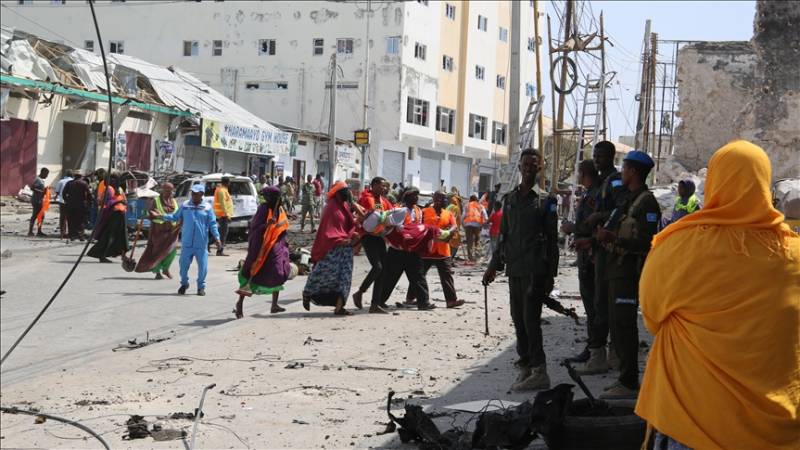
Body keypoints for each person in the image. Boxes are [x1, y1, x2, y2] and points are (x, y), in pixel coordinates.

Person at [636, 141, 799, 450]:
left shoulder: (678, 246)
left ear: (714, 184)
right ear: (765, 185)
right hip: (779, 430)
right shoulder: (794, 254)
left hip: (693, 423)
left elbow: (653, 318)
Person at [483, 149, 558, 392]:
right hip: (514, 269)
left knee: (531, 321)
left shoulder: (546, 201)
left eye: (533, 164)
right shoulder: (511, 199)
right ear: (520, 167)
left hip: (535, 270)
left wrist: (550, 275)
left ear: (539, 168)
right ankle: (525, 366)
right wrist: (493, 266)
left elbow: (552, 240)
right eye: (525, 164)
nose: (528, 168)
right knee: (518, 320)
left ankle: (539, 371)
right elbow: (503, 236)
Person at [592, 150, 661, 399]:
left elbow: (648, 241)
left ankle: (630, 382)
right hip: (614, 270)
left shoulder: (647, 203)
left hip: (628, 273)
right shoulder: (628, 200)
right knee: (617, 326)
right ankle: (625, 378)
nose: (621, 172)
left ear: (632, 171)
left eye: (625, 168)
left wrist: (614, 238)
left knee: (625, 327)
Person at [576, 140, 628, 375]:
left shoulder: (614, 181)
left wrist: (598, 216)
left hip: (606, 251)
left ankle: (604, 353)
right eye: (595, 156)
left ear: (611, 157)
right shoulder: (601, 183)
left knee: (602, 303)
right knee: (595, 302)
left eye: (602, 156)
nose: (598, 160)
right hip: (595, 249)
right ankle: (597, 350)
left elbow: (620, 210)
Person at [302, 181, 362, 316]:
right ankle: (307, 293)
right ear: (339, 193)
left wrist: (353, 233)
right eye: (346, 191)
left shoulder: (345, 206)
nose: (349, 194)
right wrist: (340, 239)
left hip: (345, 249)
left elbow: (349, 224)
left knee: (345, 277)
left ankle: (339, 307)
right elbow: (328, 230)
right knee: (322, 273)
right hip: (332, 248)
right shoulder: (331, 208)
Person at [562, 160, 601, 363]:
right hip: (585, 253)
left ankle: (595, 349)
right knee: (590, 304)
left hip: (591, 257)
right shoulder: (588, 193)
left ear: (584, 173)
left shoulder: (595, 195)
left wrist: (572, 228)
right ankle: (593, 346)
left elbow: (591, 226)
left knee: (593, 304)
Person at [235, 186, 291, 318]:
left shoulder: (280, 209)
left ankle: (274, 305)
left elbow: (282, 226)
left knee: (278, 272)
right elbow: (255, 227)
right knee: (252, 273)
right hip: (262, 247)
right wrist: (266, 225)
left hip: (277, 246)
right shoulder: (264, 209)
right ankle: (240, 304)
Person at [378, 186, 436, 311]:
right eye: (414, 195)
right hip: (397, 250)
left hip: (412, 250)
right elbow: (386, 225)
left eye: (417, 195)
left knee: (418, 276)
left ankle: (423, 302)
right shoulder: (398, 209)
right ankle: (379, 301)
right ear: (407, 196)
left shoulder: (418, 211)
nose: (416, 197)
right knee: (390, 277)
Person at [157, 184, 221, 296]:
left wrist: (217, 238)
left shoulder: (207, 207)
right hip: (187, 243)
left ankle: (201, 287)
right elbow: (175, 217)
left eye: (196, 193)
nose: (194, 195)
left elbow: (212, 224)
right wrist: (162, 216)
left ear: (202, 194)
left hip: (201, 244)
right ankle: (184, 283)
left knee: (203, 267)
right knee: (183, 266)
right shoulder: (185, 205)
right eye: (193, 193)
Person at [352, 177, 392, 314]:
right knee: (377, 267)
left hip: (380, 237)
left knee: (383, 269)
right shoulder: (366, 198)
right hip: (368, 237)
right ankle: (360, 292)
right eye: (381, 186)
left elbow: (390, 215)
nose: (384, 188)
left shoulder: (384, 201)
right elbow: (361, 215)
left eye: (385, 186)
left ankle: (375, 304)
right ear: (373, 185)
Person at [419, 191, 464, 309]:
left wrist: (449, 232)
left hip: (443, 250)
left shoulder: (448, 213)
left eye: (444, 199)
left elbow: (454, 226)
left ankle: (451, 301)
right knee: (420, 274)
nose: (442, 200)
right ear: (434, 199)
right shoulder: (425, 212)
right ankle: (412, 298)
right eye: (440, 198)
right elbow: (419, 226)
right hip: (427, 250)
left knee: (446, 275)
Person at [135, 182, 180, 279]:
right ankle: (157, 272)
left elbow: (177, 214)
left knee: (172, 251)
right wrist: (153, 214)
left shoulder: (174, 201)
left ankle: (166, 268)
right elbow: (149, 214)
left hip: (172, 231)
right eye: (167, 190)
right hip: (159, 231)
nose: (169, 192)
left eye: (170, 190)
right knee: (158, 251)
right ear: (162, 190)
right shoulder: (155, 201)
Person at [87, 173, 129, 263]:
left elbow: (125, 200)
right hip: (113, 214)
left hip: (120, 214)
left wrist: (122, 202)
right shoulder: (109, 189)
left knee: (121, 235)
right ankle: (100, 254)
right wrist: (118, 201)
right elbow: (105, 202)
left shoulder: (119, 189)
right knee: (109, 235)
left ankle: (122, 254)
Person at [62, 171, 92, 242]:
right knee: (80, 221)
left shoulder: (69, 183)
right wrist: (89, 203)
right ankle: (80, 236)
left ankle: (72, 235)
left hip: (71, 205)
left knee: (71, 220)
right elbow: (89, 195)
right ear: (81, 176)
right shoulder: (84, 183)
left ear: (74, 176)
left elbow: (64, 194)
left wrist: (67, 201)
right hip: (81, 205)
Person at [463, 194, 488, 264]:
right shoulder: (480, 206)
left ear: (470, 200)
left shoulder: (467, 205)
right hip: (478, 225)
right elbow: (485, 216)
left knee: (469, 242)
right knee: (477, 241)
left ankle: (470, 258)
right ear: (477, 199)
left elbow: (463, 215)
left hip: (468, 225)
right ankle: (477, 257)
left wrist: (463, 225)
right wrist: (485, 224)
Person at [213, 177, 234, 256]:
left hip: (222, 215)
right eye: (229, 182)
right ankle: (220, 251)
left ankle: (209, 244)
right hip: (223, 215)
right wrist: (227, 215)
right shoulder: (222, 190)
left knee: (220, 232)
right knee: (223, 234)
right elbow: (223, 203)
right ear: (227, 182)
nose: (230, 184)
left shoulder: (223, 190)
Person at [28, 167, 50, 237]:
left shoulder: (41, 180)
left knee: (41, 216)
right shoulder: (38, 179)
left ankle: (39, 231)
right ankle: (30, 232)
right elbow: (32, 188)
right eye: (46, 174)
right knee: (35, 215)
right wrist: (42, 191)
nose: (47, 176)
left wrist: (45, 191)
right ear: (43, 172)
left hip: (39, 200)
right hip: (36, 200)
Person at [54, 169, 74, 238]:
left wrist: (55, 198)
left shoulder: (61, 181)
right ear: (72, 175)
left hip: (62, 201)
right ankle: (70, 233)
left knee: (63, 218)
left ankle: (62, 233)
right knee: (70, 217)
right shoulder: (73, 181)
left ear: (66, 175)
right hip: (71, 202)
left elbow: (57, 192)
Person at [446, 194, 463, 262]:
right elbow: (453, 218)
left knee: (451, 245)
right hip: (453, 230)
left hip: (450, 229)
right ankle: (449, 260)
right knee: (454, 245)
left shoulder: (449, 206)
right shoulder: (455, 207)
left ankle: (449, 259)